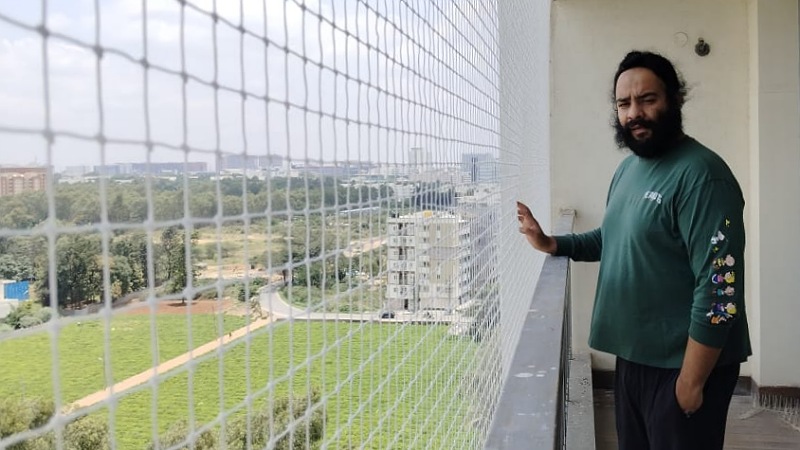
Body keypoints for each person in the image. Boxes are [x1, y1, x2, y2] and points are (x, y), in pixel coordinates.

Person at [517, 50, 751, 450]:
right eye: (624, 104)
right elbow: (612, 240)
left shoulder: (703, 176)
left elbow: (719, 291)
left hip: (685, 364)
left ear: (674, 99)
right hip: (636, 358)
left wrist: (691, 383)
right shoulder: (629, 169)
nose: (634, 113)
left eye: (648, 99)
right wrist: (551, 243)